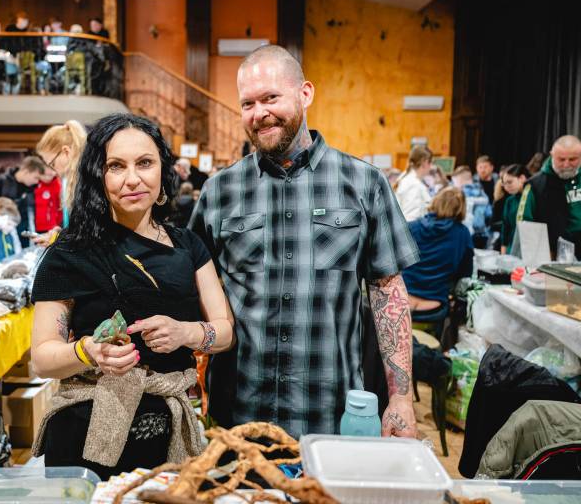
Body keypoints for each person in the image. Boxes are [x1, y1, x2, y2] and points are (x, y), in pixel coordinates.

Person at [189, 45, 420, 439]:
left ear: (305, 93)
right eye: (247, 103)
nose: (259, 113)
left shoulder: (364, 183)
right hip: (239, 415)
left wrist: (401, 398)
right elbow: (193, 290)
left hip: (332, 413)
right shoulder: (219, 191)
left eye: (270, 98)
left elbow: (387, 291)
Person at [30, 113, 235, 478]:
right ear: (98, 174)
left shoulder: (188, 246)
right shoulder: (70, 252)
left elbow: (225, 331)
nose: (132, 179)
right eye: (116, 166)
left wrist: (186, 332)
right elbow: (43, 358)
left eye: (144, 163)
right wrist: (88, 351)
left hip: (169, 432)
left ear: (162, 169)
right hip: (85, 430)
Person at [402, 187, 473, 313]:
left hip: (401, 303)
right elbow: (465, 274)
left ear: (435, 201)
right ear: (461, 208)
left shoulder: (411, 227)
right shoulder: (462, 233)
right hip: (433, 306)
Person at [519, 135, 581, 259]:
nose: (566, 164)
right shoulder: (536, 185)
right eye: (561, 159)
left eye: (572, 159)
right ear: (552, 155)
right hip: (551, 254)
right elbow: (525, 223)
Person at [34, 120, 87, 245]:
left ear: (66, 152)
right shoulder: (70, 181)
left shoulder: (87, 182)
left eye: (52, 164)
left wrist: (58, 238)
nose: (53, 171)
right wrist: (60, 231)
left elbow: (88, 231)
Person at [0, 155, 45, 246]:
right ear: (26, 171)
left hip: (23, 234)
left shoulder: (31, 188)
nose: (37, 182)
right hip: (4, 232)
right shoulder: (2, 182)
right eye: (36, 177)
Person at [452, 166, 492, 248]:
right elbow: (489, 213)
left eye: (454, 182)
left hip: (464, 235)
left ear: (459, 180)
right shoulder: (482, 193)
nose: (454, 185)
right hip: (482, 234)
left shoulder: (459, 194)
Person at [394, 145, 433, 222]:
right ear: (425, 162)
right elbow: (410, 219)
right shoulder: (413, 185)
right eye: (430, 163)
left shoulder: (406, 178)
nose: (431, 167)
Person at [500, 165, 530, 254]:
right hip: (512, 248)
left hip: (530, 248)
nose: (506, 187)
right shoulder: (510, 201)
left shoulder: (533, 197)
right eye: (504, 184)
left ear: (522, 178)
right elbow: (505, 227)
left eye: (509, 182)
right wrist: (503, 253)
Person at [0, 197, 22, 261]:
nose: (11, 228)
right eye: (9, 224)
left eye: (14, 226)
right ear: (0, 219)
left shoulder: (8, 234)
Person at [34, 164, 62, 233]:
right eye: (45, 175)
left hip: (52, 226)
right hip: (35, 226)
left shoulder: (57, 184)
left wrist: (57, 224)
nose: (47, 178)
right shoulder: (34, 184)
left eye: (50, 175)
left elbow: (60, 206)